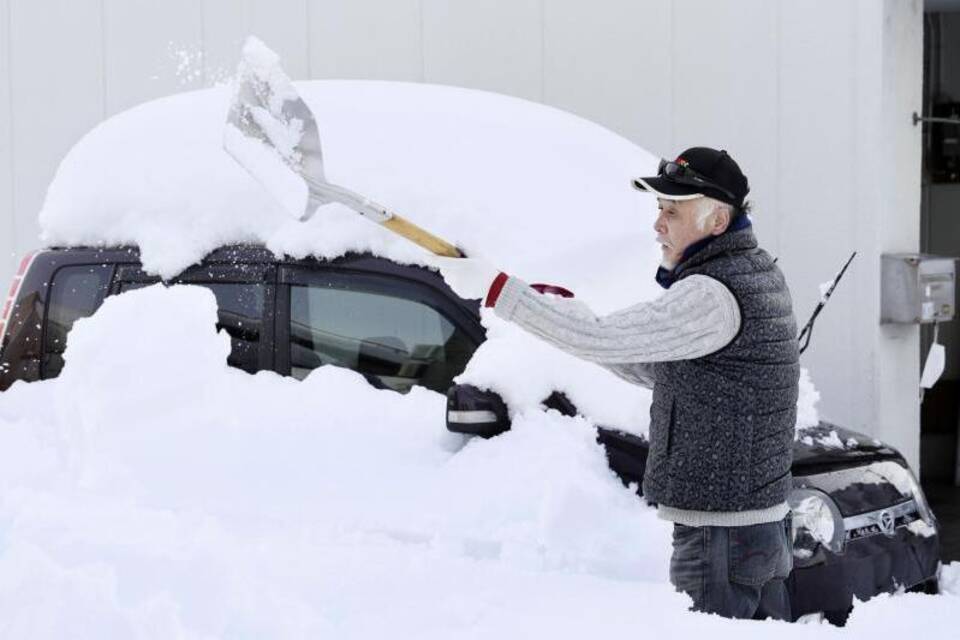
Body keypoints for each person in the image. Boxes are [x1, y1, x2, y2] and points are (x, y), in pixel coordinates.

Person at [429, 147, 800, 621]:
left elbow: (603, 339)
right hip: (754, 527)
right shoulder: (754, 274)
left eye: (673, 210)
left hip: (720, 535)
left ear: (717, 221)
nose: (658, 225)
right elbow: (661, 366)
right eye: (658, 209)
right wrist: (567, 322)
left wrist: (499, 290)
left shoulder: (710, 294)